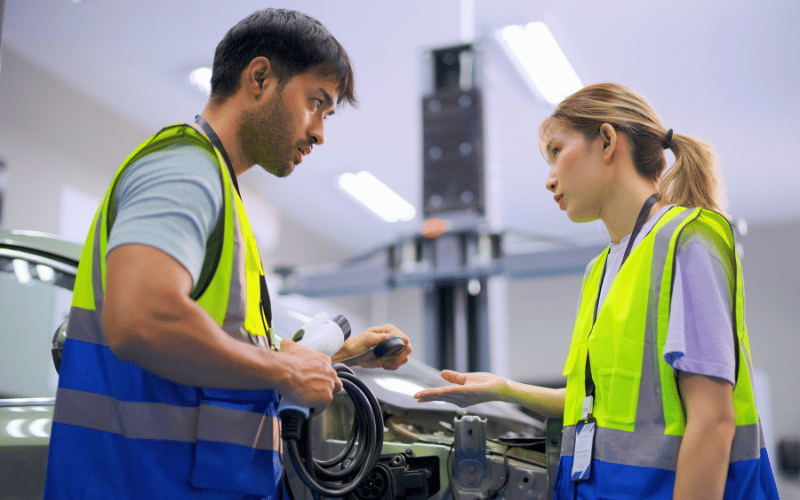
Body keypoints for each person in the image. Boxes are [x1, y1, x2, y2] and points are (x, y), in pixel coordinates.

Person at [44, 9, 411, 500]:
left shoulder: (221, 193)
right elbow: (140, 320)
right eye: (316, 102)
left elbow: (223, 344)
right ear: (259, 77)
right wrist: (286, 371)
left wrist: (333, 354)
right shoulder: (185, 168)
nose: (320, 131)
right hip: (142, 484)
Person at [415, 83, 779, 499]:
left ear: (606, 141)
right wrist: (504, 390)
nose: (549, 179)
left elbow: (713, 420)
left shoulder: (688, 241)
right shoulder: (602, 269)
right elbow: (594, 405)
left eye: (556, 152)